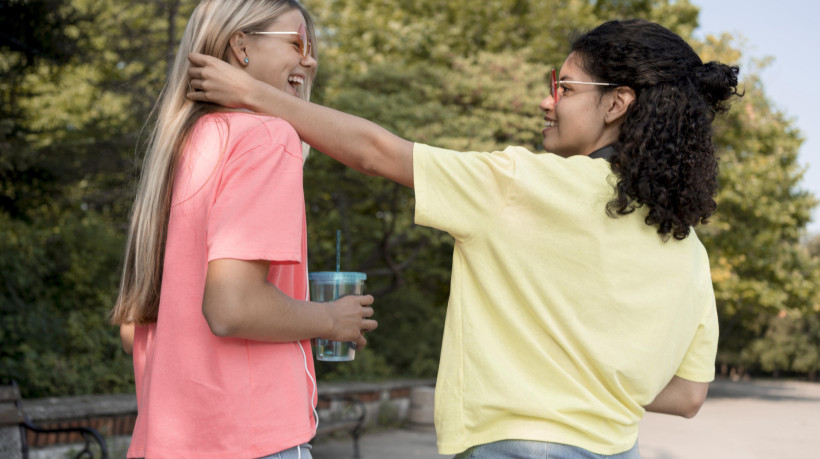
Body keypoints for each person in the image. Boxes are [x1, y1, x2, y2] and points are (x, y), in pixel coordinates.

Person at [187, 18, 741, 458]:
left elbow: (375, 153)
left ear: (617, 104)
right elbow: (688, 395)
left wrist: (252, 93)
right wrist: (592, 384)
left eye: (565, 87)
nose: (548, 100)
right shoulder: (687, 247)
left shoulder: (524, 185)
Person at [109, 1, 377, 458]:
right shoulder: (267, 137)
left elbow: (137, 327)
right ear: (241, 46)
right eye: (297, 42)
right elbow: (231, 306)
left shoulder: (180, 146)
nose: (310, 59)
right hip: (251, 440)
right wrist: (331, 318)